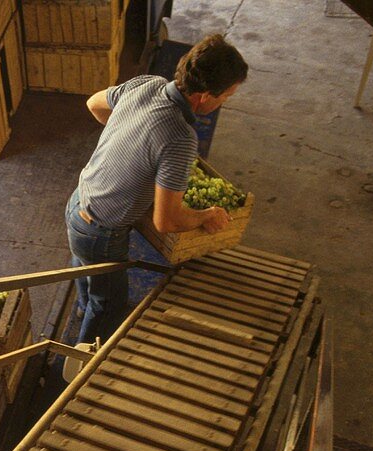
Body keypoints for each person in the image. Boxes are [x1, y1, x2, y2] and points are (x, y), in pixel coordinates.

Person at [67, 34, 248, 345]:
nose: (224, 103)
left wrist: (131, 140)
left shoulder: (147, 84)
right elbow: (167, 221)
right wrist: (206, 215)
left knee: (86, 269)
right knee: (109, 303)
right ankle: (81, 366)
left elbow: (94, 104)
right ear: (204, 96)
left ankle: (84, 307)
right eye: (225, 97)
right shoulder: (180, 138)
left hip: (77, 204)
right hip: (102, 232)